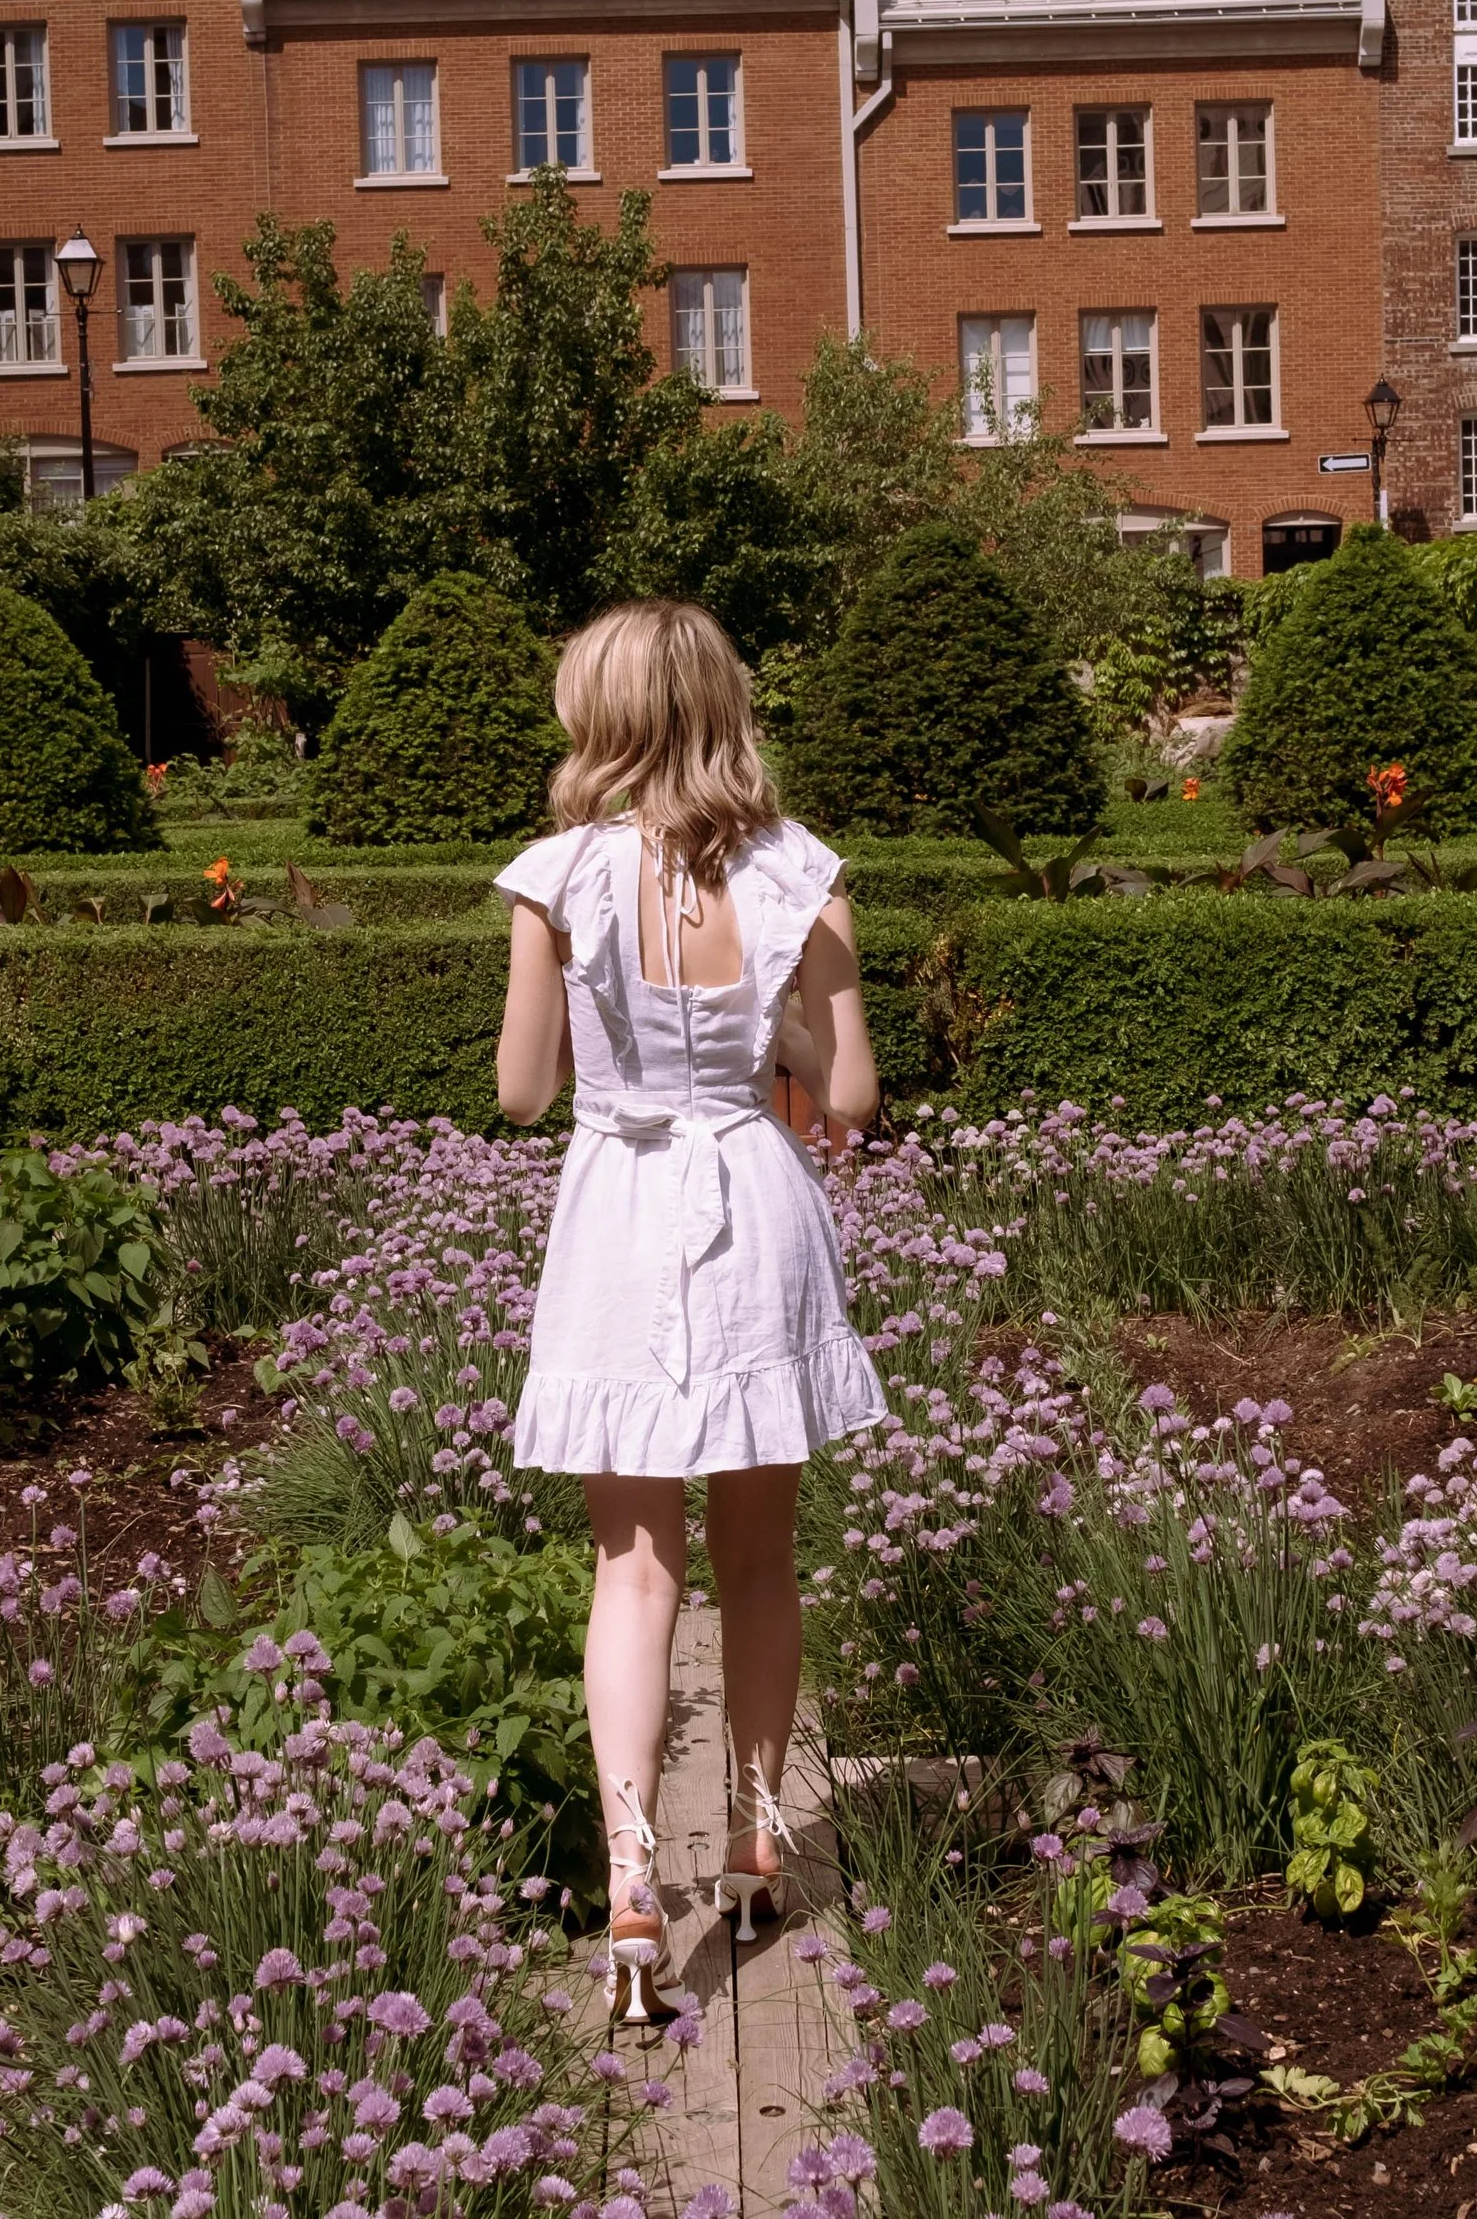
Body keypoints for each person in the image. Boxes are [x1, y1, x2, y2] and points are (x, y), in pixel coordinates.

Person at [493, 597, 885, 2025]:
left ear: (598, 715)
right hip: (753, 1199)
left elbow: (523, 1094)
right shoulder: (802, 874)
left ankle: (633, 1888)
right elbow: (843, 1098)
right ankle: (758, 1837)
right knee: (761, 1560)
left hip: (619, 1211)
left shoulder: (557, 875)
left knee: (634, 1571)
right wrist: (772, 1026)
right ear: (724, 704)